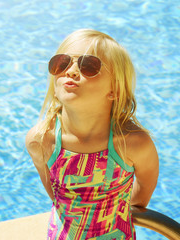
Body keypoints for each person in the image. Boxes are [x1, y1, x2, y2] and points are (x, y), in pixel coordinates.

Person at [25, 29, 159, 239]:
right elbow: (56, 197)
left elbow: (142, 194)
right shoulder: (42, 139)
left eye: (89, 66)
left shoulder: (132, 143)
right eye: (62, 63)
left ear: (114, 88)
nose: (71, 71)